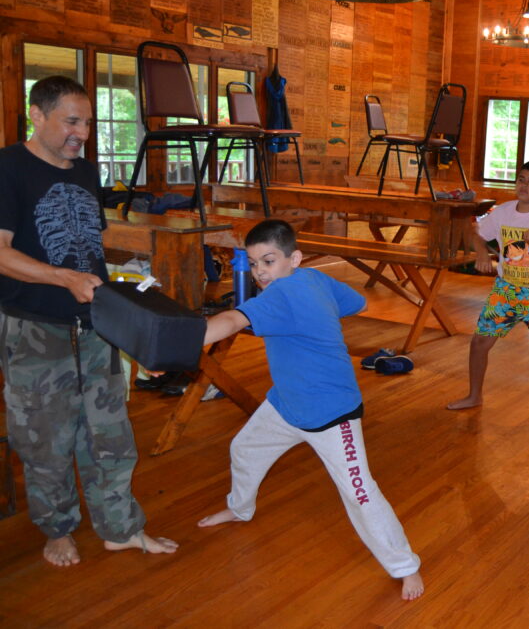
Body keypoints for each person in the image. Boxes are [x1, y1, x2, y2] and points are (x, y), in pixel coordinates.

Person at [0, 76, 177, 566]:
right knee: (44, 440)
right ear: (37, 115)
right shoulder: (8, 168)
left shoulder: (85, 172)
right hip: (34, 330)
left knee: (111, 436)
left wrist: (135, 315)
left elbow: (91, 253)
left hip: (94, 327)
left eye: (88, 123)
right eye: (71, 121)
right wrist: (63, 280)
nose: (81, 133)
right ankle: (57, 529)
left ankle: (120, 529)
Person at [197, 219, 423, 600]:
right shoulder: (314, 278)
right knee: (244, 449)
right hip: (287, 403)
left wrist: (177, 344)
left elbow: (233, 319)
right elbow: (358, 301)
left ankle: (406, 567)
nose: (261, 272)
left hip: (331, 413)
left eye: (269, 261)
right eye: (253, 264)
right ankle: (240, 508)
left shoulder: (279, 295)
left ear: (293, 258)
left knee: (360, 493)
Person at [446, 161, 529, 437]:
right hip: (506, 290)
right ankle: (475, 395)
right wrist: (482, 253)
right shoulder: (503, 211)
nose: (524, 185)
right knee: (479, 343)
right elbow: (476, 234)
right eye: (521, 179)